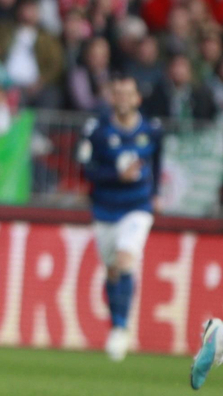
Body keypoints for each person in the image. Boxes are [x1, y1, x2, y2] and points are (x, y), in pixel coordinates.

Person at [77, 73, 162, 363]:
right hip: (105, 209)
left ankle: (122, 328)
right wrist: (116, 175)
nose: (123, 98)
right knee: (112, 270)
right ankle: (116, 324)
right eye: (118, 93)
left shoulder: (150, 130)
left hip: (137, 206)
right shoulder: (98, 131)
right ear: (112, 97)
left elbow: (157, 161)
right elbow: (86, 170)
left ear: (137, 98)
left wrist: (156, 193)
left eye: (128, 93)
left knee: (127, 259)